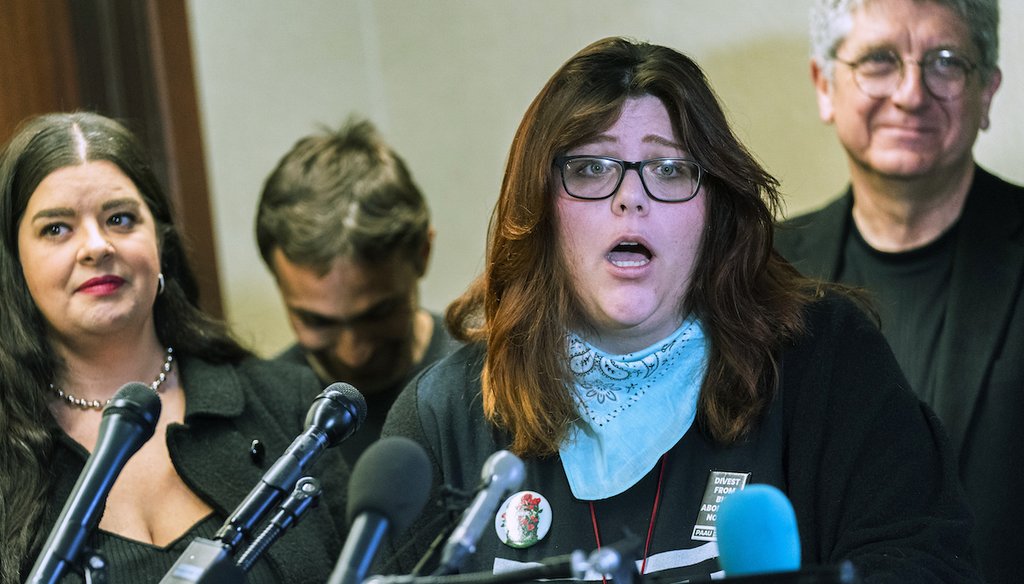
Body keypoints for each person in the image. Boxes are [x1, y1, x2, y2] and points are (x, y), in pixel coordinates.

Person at [379, 37, 982, 582]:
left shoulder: (824, 361)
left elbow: (925, 563)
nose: (630, 198)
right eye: (591, 168)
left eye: (669, 169)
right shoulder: (447, 415)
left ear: (713, 210)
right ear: (540, 208)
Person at [0, 112, 350, 583]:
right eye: (57, 229)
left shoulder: (288, 404)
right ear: (16, 265)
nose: (96, 246)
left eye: (120, 219)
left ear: (161, 241)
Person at [774, 1, 1022, 581]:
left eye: (946, 62)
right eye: (880, 61)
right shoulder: (759, 270)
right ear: (825, 85)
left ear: (987, 91)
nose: (912, 93)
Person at [255, 118, 458, 466]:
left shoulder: (486, 381)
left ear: (422, 254)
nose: (354, 354)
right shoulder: (262, 417)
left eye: (378, 313)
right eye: (318, 322)